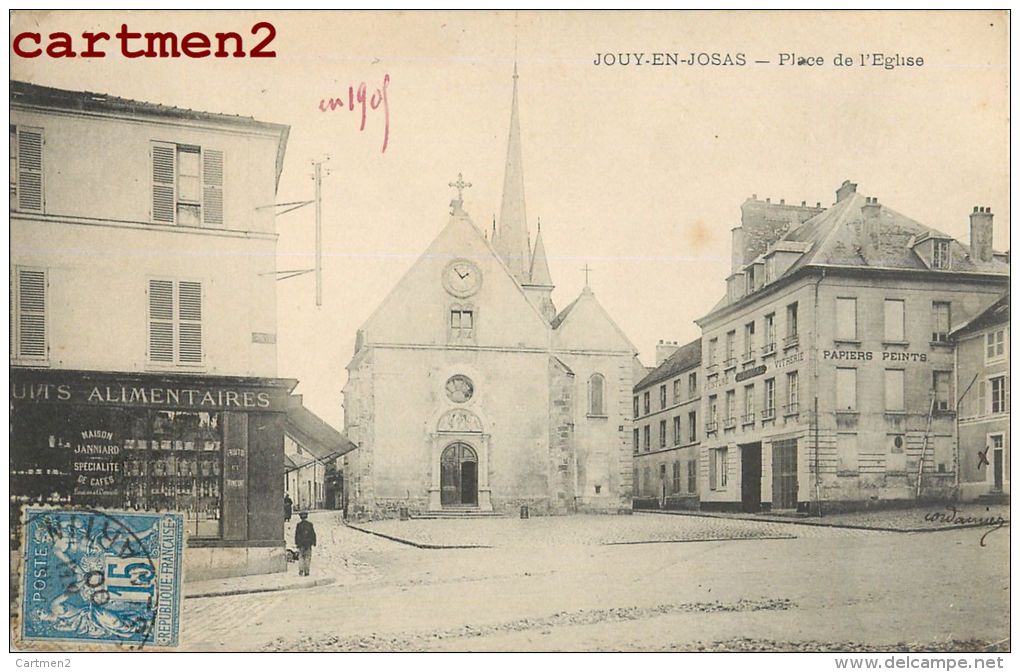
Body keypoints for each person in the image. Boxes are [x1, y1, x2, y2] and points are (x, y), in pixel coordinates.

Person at [294, 511, 316, 576]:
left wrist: (297, 543)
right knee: (307, 557)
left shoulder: (299, 525)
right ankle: (307, 571)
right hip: (308, 544)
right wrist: (314, 542)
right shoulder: (310, 524)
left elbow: (297, 534)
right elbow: (313, 534)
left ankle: (301, 570)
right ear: (306, 517)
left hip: (301, 544)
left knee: (301, 557)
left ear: (300, 517)